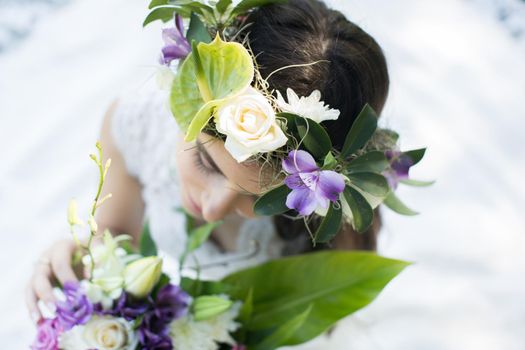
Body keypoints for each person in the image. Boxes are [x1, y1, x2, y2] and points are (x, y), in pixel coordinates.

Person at [26, 0, 390, 336]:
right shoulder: (133, 126)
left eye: (257, 197)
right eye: (205, 161)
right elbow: (116, 234)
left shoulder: (329, 209)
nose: (213, 208)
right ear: (190, 105)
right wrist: (80, 258)